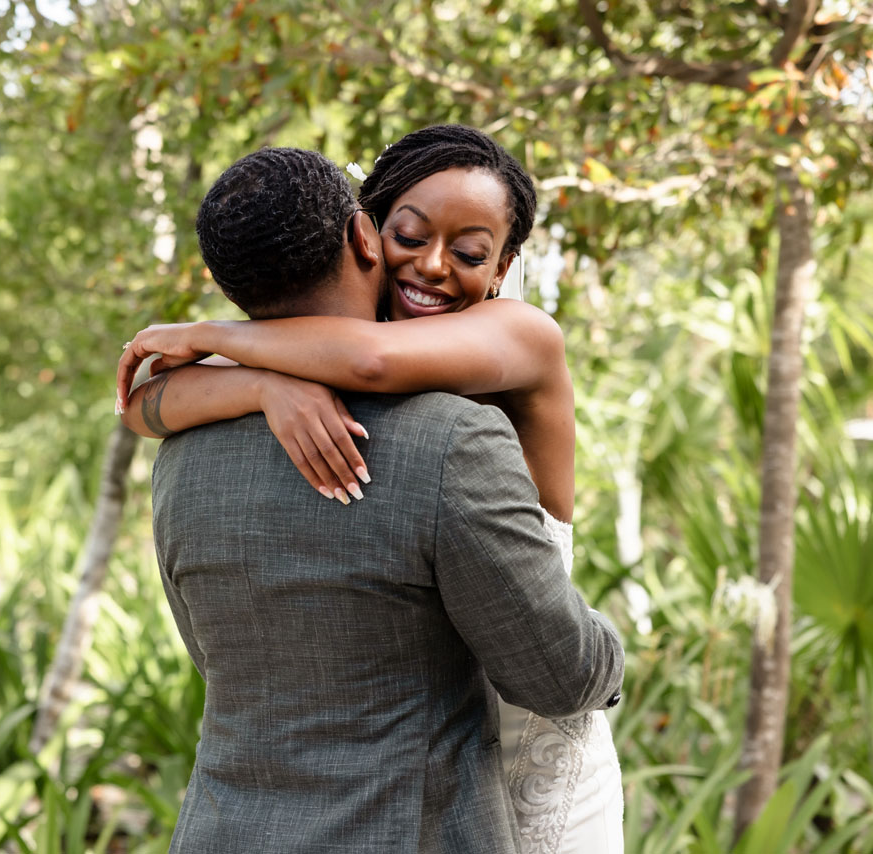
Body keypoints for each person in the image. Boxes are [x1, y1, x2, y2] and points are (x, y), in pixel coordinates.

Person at [118, 126, 625, 854]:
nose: (433, 265)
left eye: (470, 253)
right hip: (439, 784)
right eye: (409, 237)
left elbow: (373, 362)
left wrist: (213, 337)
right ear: (370, 233)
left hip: (530, 746)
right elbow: (140, 405)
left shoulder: (518, 336)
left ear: (504, 266)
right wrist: (263, 387)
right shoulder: (352, 388)